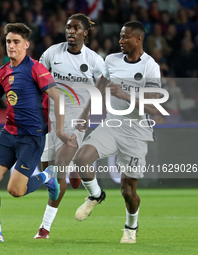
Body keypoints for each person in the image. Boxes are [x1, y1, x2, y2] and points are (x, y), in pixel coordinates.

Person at [0, 23, 74, 243]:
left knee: (16, 190)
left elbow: (59, 98)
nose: (11, 45)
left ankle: (49, 176)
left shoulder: (36, 69)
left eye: (16, 41)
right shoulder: (2, 72)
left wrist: (60, 130)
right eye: (8, 41)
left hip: (31, 136)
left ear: (26, 45)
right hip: (9, 132)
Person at [73, 21, 161, 244]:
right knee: (81, 158)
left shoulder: (150, 67)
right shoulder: (111, 60)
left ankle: (131, 226)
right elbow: (99, 89)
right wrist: (85, 115)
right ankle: (95, 194)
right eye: (120, 37)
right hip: (111, 125)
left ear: (138, 39)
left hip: (136, 133)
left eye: (126, 37)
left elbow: (154, 108)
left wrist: (125, 96)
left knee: (127, 192)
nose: (120, 41)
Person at [34, 13, 105, 239]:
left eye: (76, 28)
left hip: (77, 122)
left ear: (85, 32)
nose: (71, 31)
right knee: (46, 168)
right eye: (68, 27)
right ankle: (95, 193)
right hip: (53, 120)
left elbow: (101, 90)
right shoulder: (52, 53)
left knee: (57, 169)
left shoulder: (94, 60)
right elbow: (36, 78)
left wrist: (86, 116)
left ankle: (44, 229)